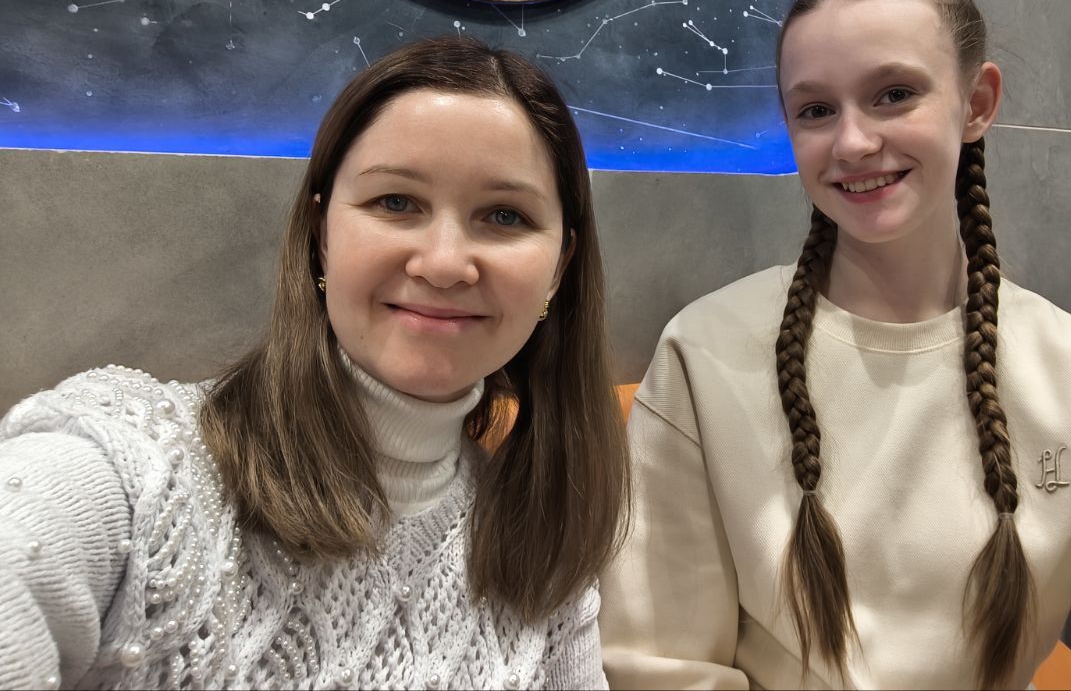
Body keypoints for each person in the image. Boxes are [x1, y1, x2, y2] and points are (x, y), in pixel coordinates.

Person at [598, 0, 1071, 689]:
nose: (852, 142)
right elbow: (656, 666)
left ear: (976, 102)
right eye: (816, 110)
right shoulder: (704, 356)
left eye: (893, 95)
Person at [0, 36, 628, 689]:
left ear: (560, 267)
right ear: (322, 234)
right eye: (396, 202)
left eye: (504, 215)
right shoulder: (126, 472)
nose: (443, 264)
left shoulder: (540, 546)